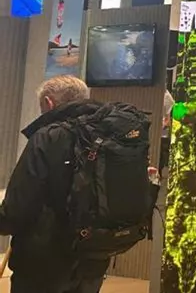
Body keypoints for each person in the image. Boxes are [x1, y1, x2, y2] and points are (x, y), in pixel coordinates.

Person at [0, 76, 152, 293]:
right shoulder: (112, 132)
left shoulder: (49, 137)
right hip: (94, 256)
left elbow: (18, 208)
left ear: (49, 103)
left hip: (43, 263)